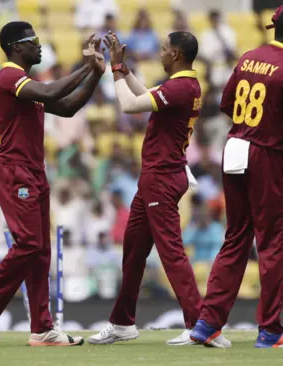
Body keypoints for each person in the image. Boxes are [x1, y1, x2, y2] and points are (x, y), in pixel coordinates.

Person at [0, 21, 105, 346]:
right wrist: (84, 67)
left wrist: (95, 73)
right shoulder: (8, 76)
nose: (39, 46)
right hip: (13, 169)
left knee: (40, 251)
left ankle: (42, 329)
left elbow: (66, 107)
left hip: (34, 170)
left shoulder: (27, 82)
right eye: (33, 41)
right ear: (16, 46)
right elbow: (55, 92)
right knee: (27, 243)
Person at [190, 3, 283, 349]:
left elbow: (225, 102)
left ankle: (207, 324)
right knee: (273, 242)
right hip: (264, 156)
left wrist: (266, 128)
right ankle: (270, 330)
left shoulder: (249, 57)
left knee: (235, 237)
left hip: (234, 147)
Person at [89, 31, 203, 346]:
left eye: (164, 49)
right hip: (155, 176)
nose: (161, 53)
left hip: (162, 178)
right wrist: (125, 71)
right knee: (134, 251)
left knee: (171, 252)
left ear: (177, 54)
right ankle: (123, 322)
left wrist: (114, 69)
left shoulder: (181, 86)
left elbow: (130, 105)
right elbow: (149, 95)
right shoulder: (185, 84)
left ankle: (201, 325)